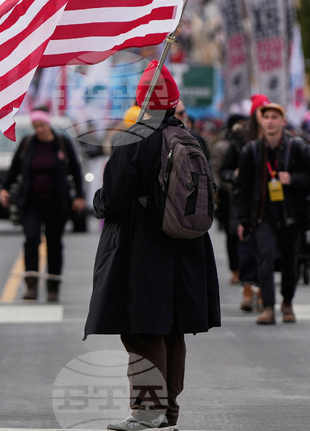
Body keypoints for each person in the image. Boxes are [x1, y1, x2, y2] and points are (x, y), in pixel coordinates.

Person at [85, 61, 220, 431]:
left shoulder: (133, 139)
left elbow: (112, 198)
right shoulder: (194, 139)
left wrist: (97, 202)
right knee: (172, 329)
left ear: (141, 101)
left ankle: (147, 413)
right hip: (187, 249)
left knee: (142, 329)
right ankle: (167, 412)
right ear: (174, 101)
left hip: (142, 249)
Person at [233, 101, 310, 325]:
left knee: (291, 262)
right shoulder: (251, 150)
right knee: (265, 257)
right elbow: (241, 188)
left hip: (291, 215)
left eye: (275, 117)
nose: (270, 121)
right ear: (261, 121)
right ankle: (269, 307)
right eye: (267, 117)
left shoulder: (297, 147)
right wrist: (244, 219)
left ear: (283, 121)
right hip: (263, 215)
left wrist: (293, 179)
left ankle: (287, 303)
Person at [0, 108, 84, 302]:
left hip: (57, 203)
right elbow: (15, 167)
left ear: (48, 124)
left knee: (54, 244)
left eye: (42, 125)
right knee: (31, 239)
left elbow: (76, 170)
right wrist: (5, 188)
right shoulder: (28, 144)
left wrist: (80, 196)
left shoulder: (62, 144)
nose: (39, 130)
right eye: (35, 126)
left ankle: (53, 287)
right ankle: (31, 286)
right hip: (31, 203)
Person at [222, 94, 270, 314]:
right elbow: (224, 170)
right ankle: (248, 289)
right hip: (244, 200)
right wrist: (236, 175)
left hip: (268, 201)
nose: (268, 118)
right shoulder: (240, 138)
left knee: (266, 248)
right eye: (263, 112)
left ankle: (263, 291)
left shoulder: (276, 137)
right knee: (246, 244)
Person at [211, 114, 248, 287]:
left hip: (244, 193)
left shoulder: (250, 142)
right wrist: (216, 191)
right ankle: (236, 270)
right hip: (227, 194)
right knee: (231, 233)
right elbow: (217, 170)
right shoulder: (223, 146)